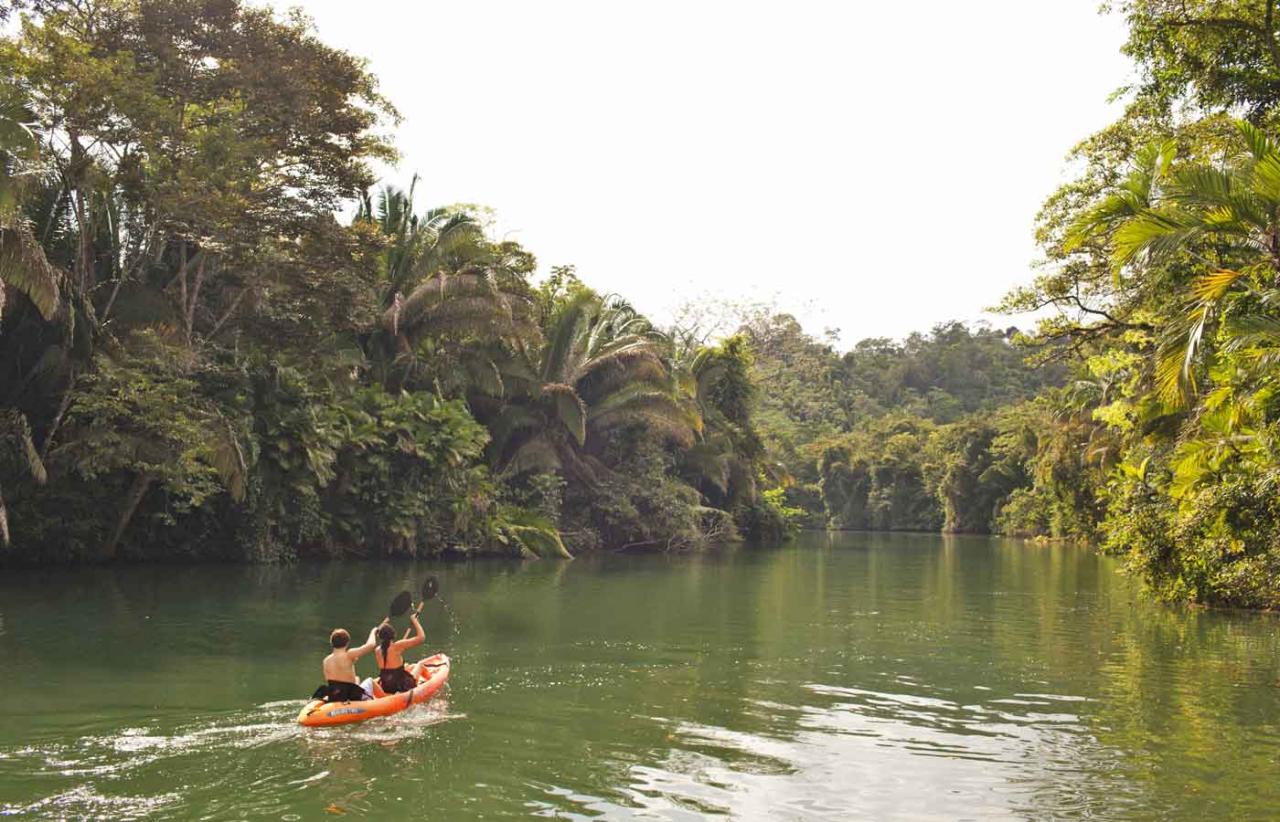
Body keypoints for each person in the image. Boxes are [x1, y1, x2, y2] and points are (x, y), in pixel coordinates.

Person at [311, 625, 378, 703]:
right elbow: (371, 645)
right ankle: (386, 699)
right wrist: (373, 631)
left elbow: (332, 679)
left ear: (331, 643)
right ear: (347, 643)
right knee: (370, 681)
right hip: (350, 696)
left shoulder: (326, 660)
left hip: (335, 695)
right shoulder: (349, 654)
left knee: (357, 678)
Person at [375, 602, 425, 694]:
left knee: (407, 666)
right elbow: (421, 638)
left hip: (386, 686)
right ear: (393, 634)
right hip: (400, 685)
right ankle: (426, 684)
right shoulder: (397, 646)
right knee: (420, 664)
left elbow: (377, 632)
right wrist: (415, 621)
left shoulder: (377, 649)